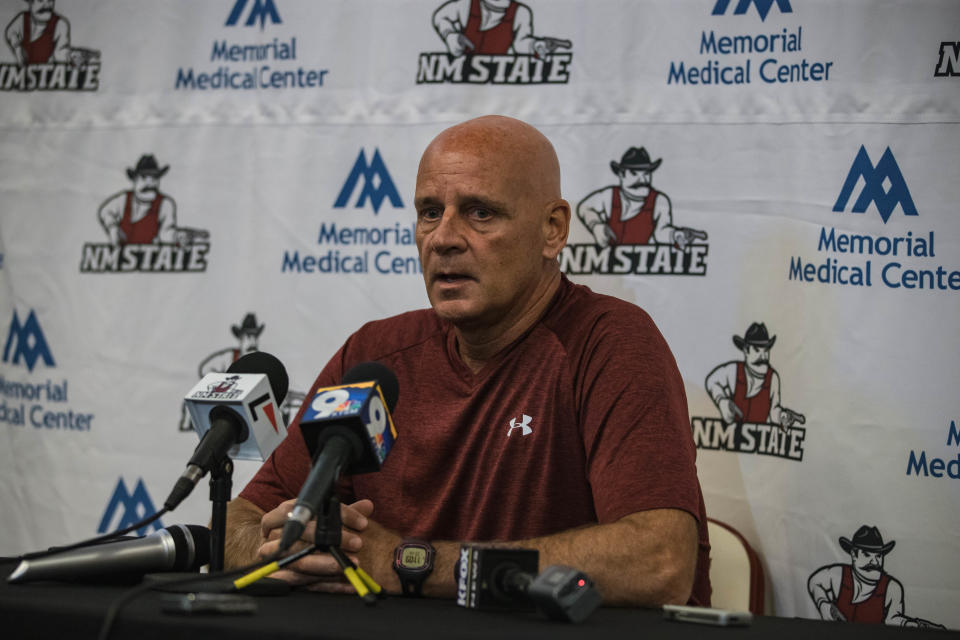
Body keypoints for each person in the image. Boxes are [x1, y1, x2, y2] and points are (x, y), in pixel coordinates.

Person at [225, 115, 711, 607]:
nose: (443, 238)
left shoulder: (610, 343)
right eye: (430, 212)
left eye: (480, 213)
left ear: (553, 229)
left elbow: (660, 561)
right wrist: (286, 546)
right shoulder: (374, 355)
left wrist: (409, 563)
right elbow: (235, 524)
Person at [807, 525, 944, 628]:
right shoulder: (840, 575)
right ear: (854, 555)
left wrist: (911, 625)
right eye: (867, 554)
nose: (875, 562)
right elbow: (815, 582)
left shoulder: (891, 588)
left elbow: (893, 619)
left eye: (879, 555)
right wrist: (823, 604)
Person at [576, 147, 706, 249]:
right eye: (634, 173)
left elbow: (661, 231)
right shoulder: (609, 196)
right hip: (609, 276)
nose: (642, 180)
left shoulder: (658, 201)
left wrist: (676, 235)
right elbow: (583, 208)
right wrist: (596, 225)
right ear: (621, 174)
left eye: (647, 173)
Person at [704, 322, 804, 431]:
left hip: (757, 444)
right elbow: (711, 381)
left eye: (766, 350)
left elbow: (774, 410)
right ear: (746, 351)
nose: (763, 356)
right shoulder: (734, 370)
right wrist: (722, 400)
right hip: (730, 441)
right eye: (757, 350)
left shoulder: (772, 378)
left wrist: (782, 416)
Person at [432, 0, 569, 58]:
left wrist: (536, 46)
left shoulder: (520, 12)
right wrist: (451, 36)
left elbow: (520, 42)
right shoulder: (467, 6)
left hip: (506, 92)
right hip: (460, 90)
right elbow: (440, 16)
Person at [97, 154, 177, 246]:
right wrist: (113, 228)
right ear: (134, 180)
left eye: (154, 178)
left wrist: (175, 238)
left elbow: (167, 234)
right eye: (143, 177)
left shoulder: (165, 204)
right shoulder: (123, 199)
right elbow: (105, 211)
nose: (150, 183)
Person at [4, 0, 70, 65]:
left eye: (50, 0)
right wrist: (17, 47)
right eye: (40, 1)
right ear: (30, 2)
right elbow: (10, 32)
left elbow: (61, 53)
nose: (47, 5)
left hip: (46, 72)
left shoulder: (60, 24)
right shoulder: (22, 19)